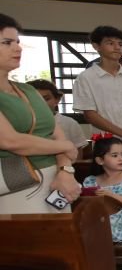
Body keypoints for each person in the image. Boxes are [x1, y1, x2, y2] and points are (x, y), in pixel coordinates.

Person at [0, 14, 80, 214]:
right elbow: (10, 141)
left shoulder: (28, 90)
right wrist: (65, 146)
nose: (17, 48)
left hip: (56, 181)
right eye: (7, 42)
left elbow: (55, 131)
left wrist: (65, 170)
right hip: (14, 181)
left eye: (17, 42)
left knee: (61, 241)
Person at [74, 25, 122, 158]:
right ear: (96, 46)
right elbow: (90, 115)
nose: (117, 47)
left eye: (120, 44)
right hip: (106, 145)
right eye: (110, 43)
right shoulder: (86, 78)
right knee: (108, 177)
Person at [82, 135, 122, 243]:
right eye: (114, 155)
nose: (121, 159)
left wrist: (111, 195)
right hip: (98, 226)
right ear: (100, 160)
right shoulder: (91, 181)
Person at [27, 78, 85, 148]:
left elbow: (78, 155)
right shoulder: (19, 124)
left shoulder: (70, 124)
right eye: (34, 99)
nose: (41, 103)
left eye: (46, 99)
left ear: (57, 100)